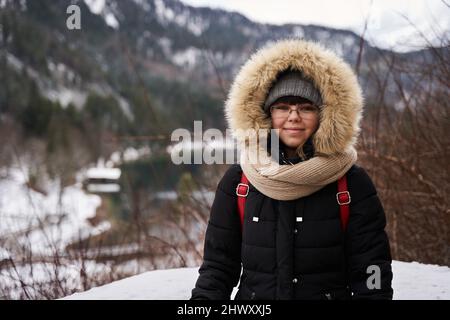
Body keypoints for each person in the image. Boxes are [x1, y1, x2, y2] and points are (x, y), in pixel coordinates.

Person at [191, 39, 393, 300]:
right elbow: (217, 269)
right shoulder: (239, 182)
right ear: (267, 115)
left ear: (324, 117)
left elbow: (372, 271)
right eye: (283, 107)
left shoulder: (351, 184)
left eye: (306, 108)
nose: (294, 117)